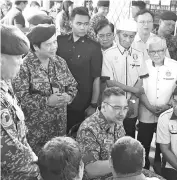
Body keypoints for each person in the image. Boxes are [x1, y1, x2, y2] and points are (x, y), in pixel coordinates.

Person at [13, 24, 77, 155]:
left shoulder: (60, 62)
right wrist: (46, 101)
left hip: (59, 130)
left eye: (55, 42)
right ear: (36, 46)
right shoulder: (24, 67)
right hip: (36, 134)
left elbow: (73, 85)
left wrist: (69, 96)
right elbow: (20, 99)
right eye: (48, 44)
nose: (54, 47)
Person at [137, 36, 177, 170]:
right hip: (146, 112)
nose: (156, 54)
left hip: (168, 112)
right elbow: (140, 89)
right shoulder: (143, 65)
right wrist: (150, 107)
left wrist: (168, 105)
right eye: (152, 52)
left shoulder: (175, 66)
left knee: (163, 144)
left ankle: (161, 168)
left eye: (160, 51)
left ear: (165, 50)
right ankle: (143, 169)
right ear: (148, 51)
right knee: (143, 143)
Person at [1, 24, 40, 180]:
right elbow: (9, 153)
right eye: (18, 57)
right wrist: (40, 172)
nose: (22, 62)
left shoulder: (5, 81)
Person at [57, 7, 102, 133]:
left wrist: (93, 105)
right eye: (79, 23)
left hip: (81, 103)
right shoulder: (60, 42)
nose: (83, 27)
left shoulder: (94, 47)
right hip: (59, 102)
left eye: (86, 24)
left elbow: (96, 77)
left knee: (76, 139)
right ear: (71, 23)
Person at [101, 19, 148, 138]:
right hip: (113, 104)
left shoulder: (139, 54)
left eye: (131, 36)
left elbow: (141, 78)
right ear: (117, 34)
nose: (128, 39)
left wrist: (132, 100)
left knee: (129, 133)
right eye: (125, 35)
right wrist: (134, 91)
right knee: (111, 134)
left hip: (132, 104)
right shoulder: (108, 54)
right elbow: (110, 82)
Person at [76, 87, 127, 180]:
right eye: (117, 108)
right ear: (104, 106)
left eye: (125, 108)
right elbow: (92, 169)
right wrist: (124, 162)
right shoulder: (89, 129)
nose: (122, 113)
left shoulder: (117, 123)